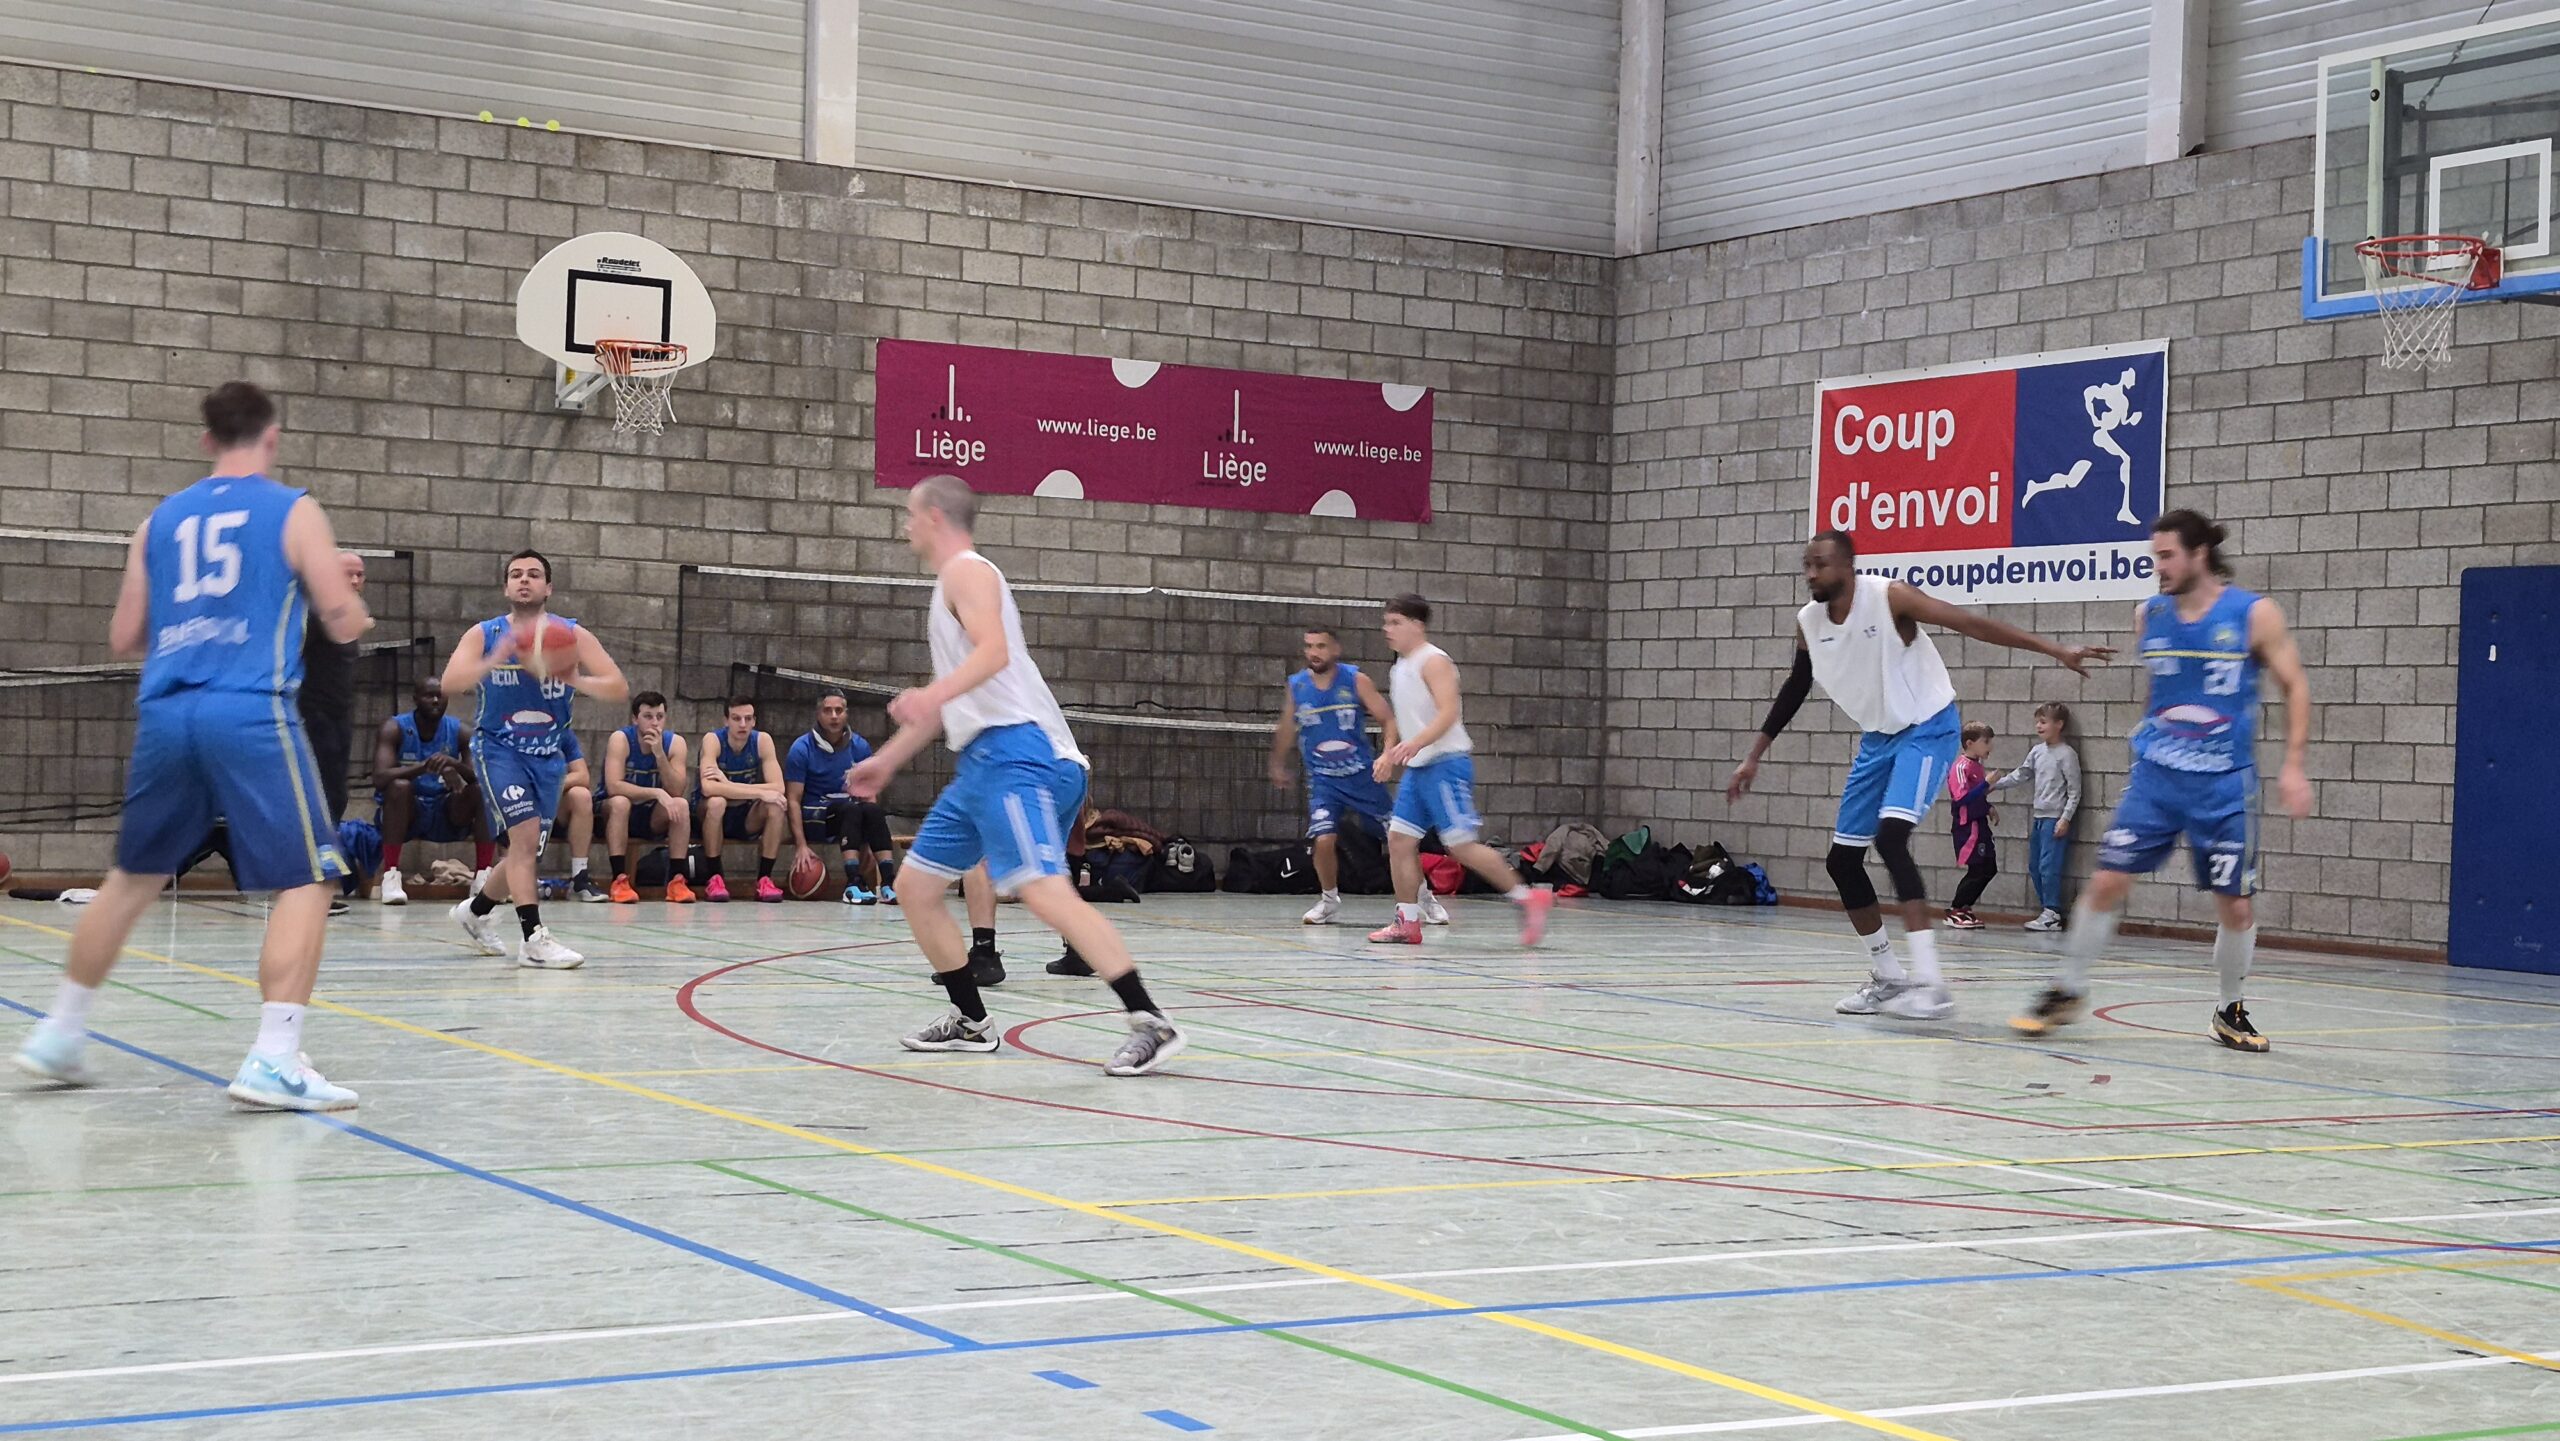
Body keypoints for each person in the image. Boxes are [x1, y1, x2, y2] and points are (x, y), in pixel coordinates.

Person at [14, 381, 372, 1108]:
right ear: (271, 437)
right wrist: (340, 601)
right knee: (310, 876)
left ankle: (59, 1032)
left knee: (132, 877)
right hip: (249, 709)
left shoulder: (159, 520)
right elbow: (341, 617)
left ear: (207, 439)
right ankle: (275, 1058)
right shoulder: (294, 509)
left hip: (168, 711)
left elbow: (125, 635)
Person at [848, 474, 1183, 1076]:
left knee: (1043, 890)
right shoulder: (950, 588)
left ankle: (1150, 1021)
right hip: (981, 764)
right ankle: (972, 1021)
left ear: (935, 517)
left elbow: (993, 653)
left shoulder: (967, 572)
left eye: (910, 513)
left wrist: (930, 695)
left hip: (1015, 757)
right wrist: (888, 760)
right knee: (915, 888)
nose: (904, 525)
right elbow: (954, 697)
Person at [1726, 531, 2108, 1021]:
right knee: (1842, 861)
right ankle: (1889, 977)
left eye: (1821, 564)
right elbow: (1796, 686)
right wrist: (1754, 755)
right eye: (1807, 564)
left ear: (1848, 566)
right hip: (1878, 738)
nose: (1811, 573)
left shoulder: (1890, 598)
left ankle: (1932, 986)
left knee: (1890, 838)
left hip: (1928, 727)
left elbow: (1970, 623)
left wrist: (2054, 648)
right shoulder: (1809, 623)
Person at [2012, 511, 2313, 1053]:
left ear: (2199, 554)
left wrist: (2293, 764)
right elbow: (2160, 690)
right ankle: (2068, 989)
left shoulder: (2253, 614)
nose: (2159, 566)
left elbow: (2295, 686)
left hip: (2223, 784)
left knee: (2235, 905)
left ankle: (2229, 1009)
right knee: (2107, 880)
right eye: (2155, 556)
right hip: (2156, 779)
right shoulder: (2148, 615)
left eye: (2168, 555)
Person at [441, 549, 629, 968]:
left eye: (533, 574)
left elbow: (617, 687)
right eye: (516, 574)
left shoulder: (571, 635)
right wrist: (496, 657)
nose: (524, 580)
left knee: (524, 853)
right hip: (498, 749)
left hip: (548, 755)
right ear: (506, 587)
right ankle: (534, 940)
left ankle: (475, 912)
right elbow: (450, 682)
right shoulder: (485, 633)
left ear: (549, 587)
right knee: (524, 839)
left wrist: (573, 677)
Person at [1365, 594, 1552, 947]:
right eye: (1386, 623)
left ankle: (1528, 899)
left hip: (1445, 765)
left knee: (1461, 846)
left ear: (1417, 625)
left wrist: (1415, 744)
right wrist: (1389, 754)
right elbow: (1407, 720)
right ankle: (1406, 921)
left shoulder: (1434, 661)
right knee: (1399, 840)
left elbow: (1448, 713)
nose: (1387, 629)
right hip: (1418, 769)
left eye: (1395, 623)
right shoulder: (1399, 667)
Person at [1269, 627, 1446, 927]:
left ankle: (1425, 897)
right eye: (1309, 646)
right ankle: (1328, 900)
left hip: (1363, 778)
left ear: (1335, 649)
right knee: (1324, 838)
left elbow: (1388, 719)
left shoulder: (1355, 680)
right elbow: (1287, 726)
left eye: (1321, 646)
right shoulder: (1297, 685)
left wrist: (1387, 755)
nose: (1314, 652)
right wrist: (1277, 762)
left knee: (1398, 840)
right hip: (1324, 781)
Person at [784, 688, 901, 904]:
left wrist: (869, 838)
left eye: (839, 710)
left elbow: (868, 794)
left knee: (873, 810)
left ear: (846, 713)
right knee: (850, 808)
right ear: (818, 714)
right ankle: (853, 883)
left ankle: (888, 882)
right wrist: (801, 844)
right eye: (828, 711)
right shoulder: (801, 748)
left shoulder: (859, 746)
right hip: (816, 816)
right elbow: (793, 800)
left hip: (849, 815)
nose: (834, 716)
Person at [372, 677, 481, 905]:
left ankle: (482, 877)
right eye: (428, 695)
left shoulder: (460, 731)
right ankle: (391, 876)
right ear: (415, 699)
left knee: (480, 790)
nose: (435, 701)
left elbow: (481, 777)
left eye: (440, 696)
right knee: (399, 787)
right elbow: (380, 778)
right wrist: (424, 766)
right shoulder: (394, 727)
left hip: (446, 811)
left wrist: (454, 764)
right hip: (410, 812)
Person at [299, 548, 366, 914]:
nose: (354, 581)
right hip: (312, 718)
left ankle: (319, 883)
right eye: (346, 574)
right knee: (316, 800)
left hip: (338, 719)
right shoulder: (313, 614)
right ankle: (306, 886)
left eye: (359, 575)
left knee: (334, 799)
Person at [1992, 701, 2083, 931]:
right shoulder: (2037, 751)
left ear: (2058, 724)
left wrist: (2065, 818)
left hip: (2055, 819)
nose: (2038, 726)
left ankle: (2053, 912)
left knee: (2048, 866)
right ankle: (2047, 910)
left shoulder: (2067, 754)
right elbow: (2021, 774)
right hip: (2039, 817)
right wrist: (1994, 785)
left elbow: (2075, 790)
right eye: (2037, 722)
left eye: (2043, 722)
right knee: (2035, 866)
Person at [603, 690, 694, 903]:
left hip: (652, 815)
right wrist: (656, 792)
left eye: (659, 717)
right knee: (620, 802)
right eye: (648, 716)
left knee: (680, 804)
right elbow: (613, 786)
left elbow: (677, 789)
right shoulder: (621, 739)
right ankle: (619, 880)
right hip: (617, 812)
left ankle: (676, 881)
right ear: (635, 719)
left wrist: (660, 755)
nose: (654, 723)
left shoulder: (675, 743)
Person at [695, 697, 788, 902]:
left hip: (745, 814)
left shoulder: (762, 740)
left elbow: (778, 787)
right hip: (710, 814)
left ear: (754, 721)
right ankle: (715, 878)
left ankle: (764, 879)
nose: (743, 724)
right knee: (717, 802)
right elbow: (709, 788)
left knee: (776, 805)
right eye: (736, 718)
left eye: (748, 718)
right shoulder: (713, 740)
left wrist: (727, 784)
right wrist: (760, 792)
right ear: (726, 720)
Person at [1944, 723, 1998, 930]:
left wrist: (1988, 807)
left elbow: (1977, 796)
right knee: (1977, 868)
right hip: (1968, 827)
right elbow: (1961, 798)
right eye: (1986, 742)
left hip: (1980, 823)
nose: (1990, 747)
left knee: (1989, 867)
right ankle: (1956, 908)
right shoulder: (1961, 767)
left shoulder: (1977, 765)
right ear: (1970, 743)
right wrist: (1985, 784)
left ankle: (1965, 905)